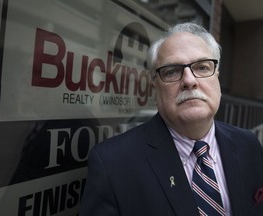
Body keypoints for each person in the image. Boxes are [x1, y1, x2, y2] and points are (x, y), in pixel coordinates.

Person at [79, 22, 263, 216]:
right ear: (154, 86)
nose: (190, 81)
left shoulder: (248, 144)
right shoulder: (112, 164)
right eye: (172, 71)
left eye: (202, 67)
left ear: (216, 76)